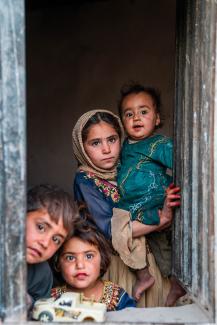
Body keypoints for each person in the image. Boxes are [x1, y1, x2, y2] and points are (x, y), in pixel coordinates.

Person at [72, 109, 181, 307]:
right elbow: (111, 232)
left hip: (156, 263)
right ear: (82, 147)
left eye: (112, 139)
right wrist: (161, 220)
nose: (106, 149)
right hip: (122, 267)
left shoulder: (130, 166)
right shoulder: (86, 180)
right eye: (95, 143)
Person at [114, 83, 185, 305]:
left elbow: (182, 163)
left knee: (164, 247)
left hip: (155, 204)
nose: (136, 118)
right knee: (129, 237)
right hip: (133, 208)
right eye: (129, 114)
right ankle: (144, 276)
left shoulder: (159, 144)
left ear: (156, 119)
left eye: (143, 112)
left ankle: (175, 283)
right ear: (122, 122)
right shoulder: (124, 147)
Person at [51, 218, 136, 311]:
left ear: (102, 260)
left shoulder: (118, 299)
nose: (80, 265)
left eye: (89, 256)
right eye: (70, 258)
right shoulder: (50, 299)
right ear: (58, 263)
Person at [26, 184, 78, 309]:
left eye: (56, 239)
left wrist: (28, 302)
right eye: (41, 227)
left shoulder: (42, 274)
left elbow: (41, 309)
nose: (45, 243)